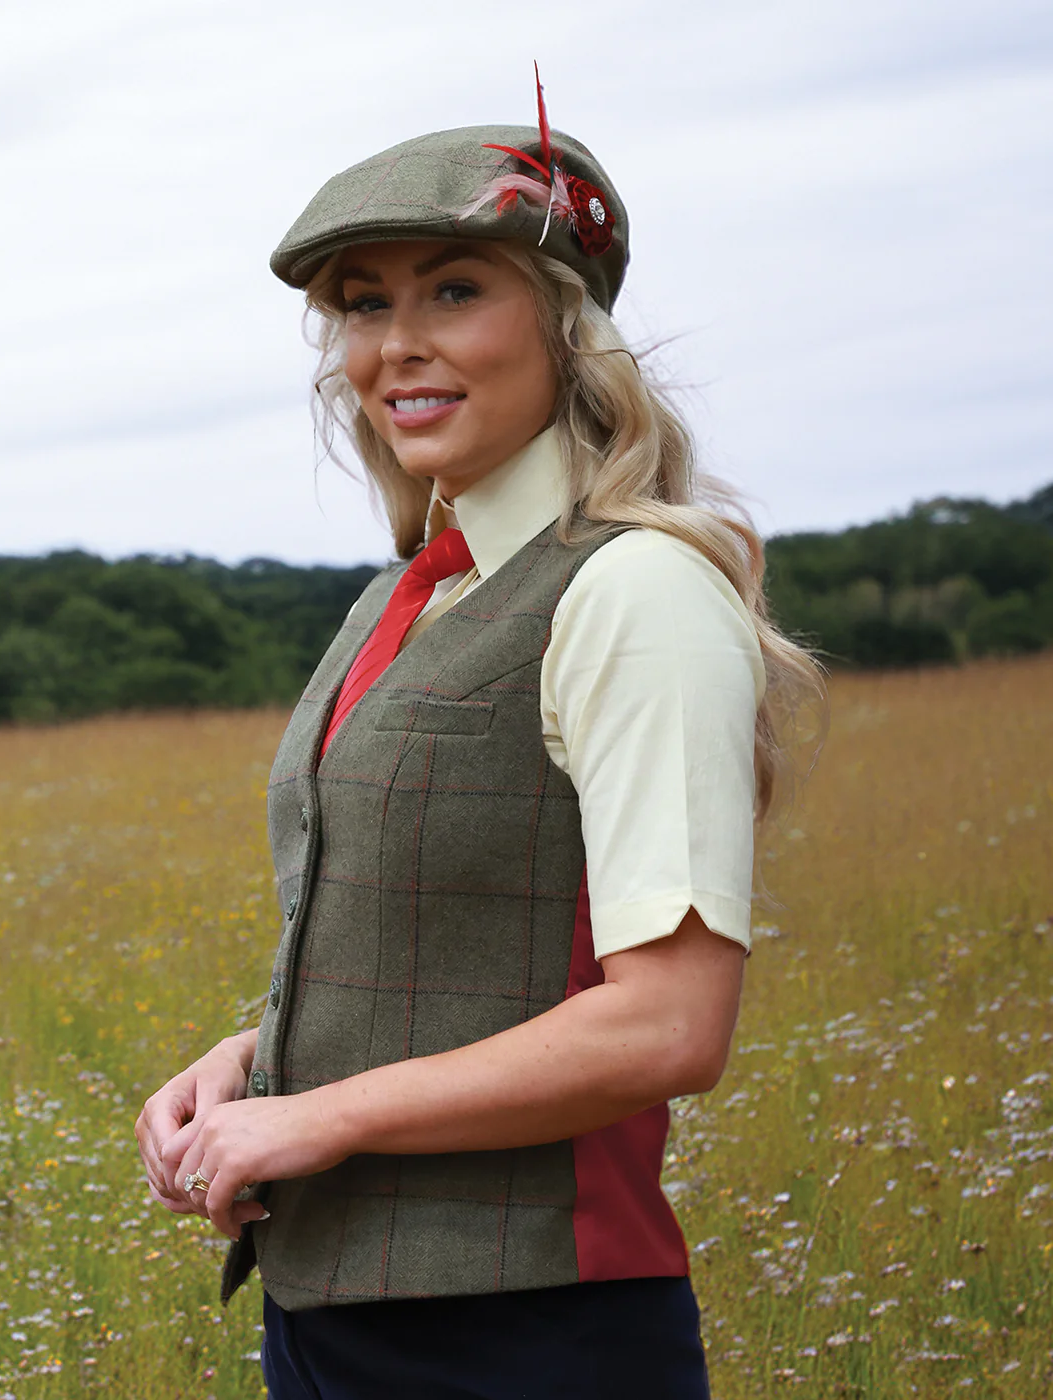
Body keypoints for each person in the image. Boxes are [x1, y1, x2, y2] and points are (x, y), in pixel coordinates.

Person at [136, 70, 822, 1399]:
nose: (397, 342)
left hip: (526, 1339)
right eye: (361, 304)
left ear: (567, 327)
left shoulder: (634, 588)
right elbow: (432, 948)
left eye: (454, 289)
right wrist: (242, 1069)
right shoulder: (410, 595)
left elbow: (669, 1028)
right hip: (332, 1324)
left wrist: (316, 1120)